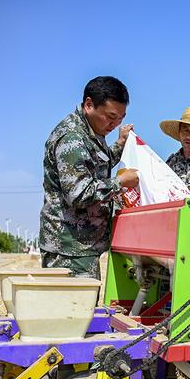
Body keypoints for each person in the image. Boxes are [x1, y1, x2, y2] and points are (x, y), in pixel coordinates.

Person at [39, 76, 138, 279]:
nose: (114, 124)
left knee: (81, 308)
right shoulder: (72, 138)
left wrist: (120, 143)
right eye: (110, 116)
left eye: (121, 118)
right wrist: (120, 182)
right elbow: (79, 194)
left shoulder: (90, 131)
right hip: (68, 248)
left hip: (80, 246)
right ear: (89, 104)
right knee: (71, 308)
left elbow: (97, 167)